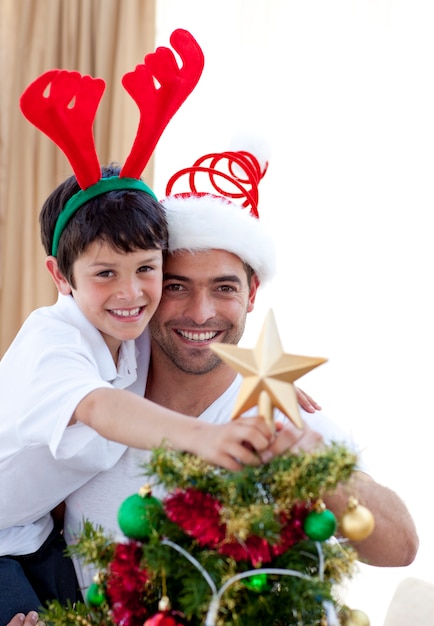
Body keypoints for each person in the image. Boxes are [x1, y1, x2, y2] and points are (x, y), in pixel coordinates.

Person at [0, 30, 278, 619]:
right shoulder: (52, 341)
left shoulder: (133, 337)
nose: (131, 295)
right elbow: (100, 407)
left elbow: (200, 341)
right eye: (104, 274)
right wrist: (203, 439)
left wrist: (270, 379)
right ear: (61, 274)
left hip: (32, 539)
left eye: (147, 270)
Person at [63, 146, 419, 600]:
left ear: (252, 292)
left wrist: (319, 470)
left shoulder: (284, 415)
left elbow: (400, 547)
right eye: (176, 286)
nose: (200, 313)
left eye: (224, 287)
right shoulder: (91, 392)